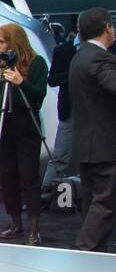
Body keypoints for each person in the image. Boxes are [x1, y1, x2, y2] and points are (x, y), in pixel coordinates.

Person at [0, 23, 47, 244]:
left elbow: (38, 97)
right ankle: (15, 223)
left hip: (26, 127)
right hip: (3, 125)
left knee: (29, 177)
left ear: (14, 42)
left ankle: (35, 228)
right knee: (7, 177)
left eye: (2, 41)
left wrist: (21, 82)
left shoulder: (37, 63)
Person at [70, 6, 116, 252]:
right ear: (107, 28)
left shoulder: (81, 55)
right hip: (104, 147)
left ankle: (92, 263)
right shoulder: (99, 58)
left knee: (94, 206)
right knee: (105, 205)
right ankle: (83, 252)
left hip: (88, 146)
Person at [42, 23, 79, 193]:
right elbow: (52, 80)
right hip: (70, 109)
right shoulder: (63, 50)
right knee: (61, 154)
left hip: (98, 111)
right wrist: (74, 72)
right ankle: (46, 192)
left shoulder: (107, 49)